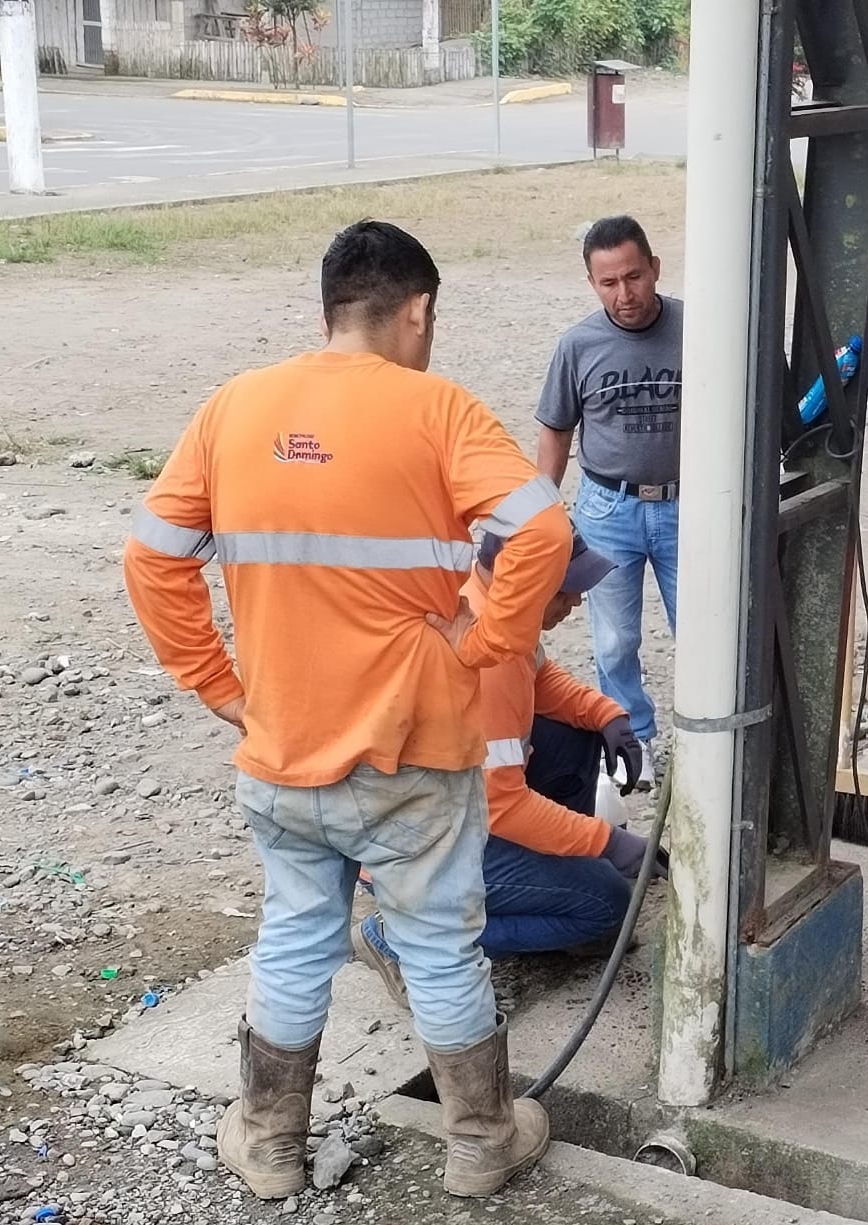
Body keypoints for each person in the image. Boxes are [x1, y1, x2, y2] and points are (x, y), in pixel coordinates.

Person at [123, 221, 572, 1201]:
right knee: (438, 944)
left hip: (282, 746)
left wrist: (219, 685)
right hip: (414, 751)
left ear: (331, 307)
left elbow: (151, 558)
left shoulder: (235, 407)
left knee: (294, 936)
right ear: (417, 311)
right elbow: (543, 530)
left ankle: (270, 1144)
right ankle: (482, 1143)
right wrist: (485, 643)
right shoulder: (438, 410)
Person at [351, 528, 658, 1000]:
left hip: (446, 815)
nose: (577, 600)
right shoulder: (484, 657)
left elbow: (539, 679)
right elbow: (501, 804)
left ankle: (552, 892)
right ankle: (403, 937)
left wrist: (606, 716)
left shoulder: (492, 610)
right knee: (608, 904)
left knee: (574, 735)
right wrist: (606, 841)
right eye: (565, 588)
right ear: (522, 584)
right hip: (421, 848)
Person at [535, 215, 683, 792]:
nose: (625, 294)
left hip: (687, 505)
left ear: (655, 268)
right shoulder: (578, 346)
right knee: (616, 639)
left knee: (701, 631)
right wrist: (542, 513)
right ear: (592, 284)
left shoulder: (696, 329)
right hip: (608, 508)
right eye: (609, 283)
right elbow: (555, 431)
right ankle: (633, 740)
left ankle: (704, 739)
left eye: (634, 276)